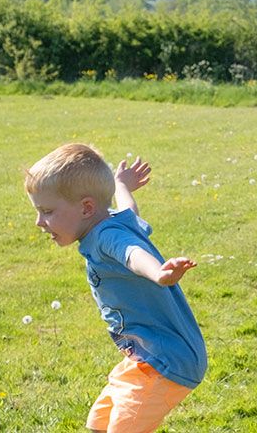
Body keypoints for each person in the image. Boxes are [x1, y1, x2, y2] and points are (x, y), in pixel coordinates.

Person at [24, 143, 206, 432]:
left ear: (86, 208)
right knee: (99, 422)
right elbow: (128, 208)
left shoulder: (107, 237)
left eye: (47, 211)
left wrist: (158, 273)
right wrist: (122, 185)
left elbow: (132, 254)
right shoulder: (115, 221)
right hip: (142, 356)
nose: (39, 222)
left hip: (165, 361)